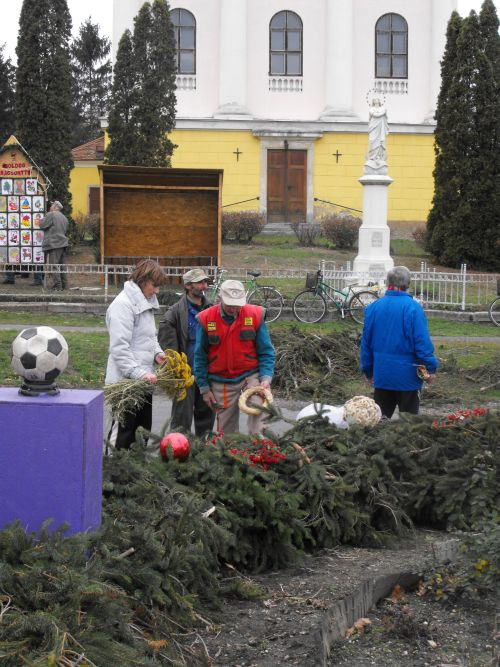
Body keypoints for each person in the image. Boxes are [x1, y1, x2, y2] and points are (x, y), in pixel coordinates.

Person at [194, 279, 275, 435]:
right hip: (221, 380)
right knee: (226, 430)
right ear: (220, 300)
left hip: (250, 376)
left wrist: (266, 377)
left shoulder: (255, 315)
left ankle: (260, 449)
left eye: (237, 305)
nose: (233, 309)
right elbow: (199, 356)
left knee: (260, 407)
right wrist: (204, 389)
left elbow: (266, 351)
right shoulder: (206, 319)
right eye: (229, 304)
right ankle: (231, 455)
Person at [360, 265, 438, 418]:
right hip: (408, 377)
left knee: (379, 422)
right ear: (407, 284)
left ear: (388, 281)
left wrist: (368, 371)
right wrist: (430, 369)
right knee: (408, 427)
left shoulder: (373, 308)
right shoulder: (413, 308)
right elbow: (422, 343)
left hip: (382, 375)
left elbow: (366, 344)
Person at [105, 259, 168, 449]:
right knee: (122, 434)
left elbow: (149, 336)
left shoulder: (145, 303)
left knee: (142, 432)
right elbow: (119, 348)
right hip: (125, 383)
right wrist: (139, 373)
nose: (157, 291)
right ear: (143, 280)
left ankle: (135, 474)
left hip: (143, 381)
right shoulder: (122, 305)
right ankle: (113, 474)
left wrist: (157, 353)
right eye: (154, 285)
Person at [157, 268, 215, 436]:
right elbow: (167, 345)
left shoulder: (211, 309)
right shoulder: (174, 313)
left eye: (205, 282)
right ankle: (178, 455)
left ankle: (203, 453)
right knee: (181, 420)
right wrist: (178, 371)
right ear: (188, 285)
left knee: (206, 418)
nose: (204, 286)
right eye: (200, 283)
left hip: (206, 373)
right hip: (185, 375)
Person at [39, 200, 69, 290]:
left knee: (54, 266)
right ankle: (65, 285)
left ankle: (57, 286)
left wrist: (41, 218)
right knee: (62, 266)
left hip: (54, 244)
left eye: (52, 205)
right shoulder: (64, 218)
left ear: (56, 207)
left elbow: (42, 225)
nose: (50, 206)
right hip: (63, 244)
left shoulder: (51, 214)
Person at [366, 97, 389, 166]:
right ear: (373, 101)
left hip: (380, 127)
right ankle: (372, 157)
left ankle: (379, 157)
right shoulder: (372, 109)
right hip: (373, 127)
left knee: (380, 141)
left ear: (379, 101)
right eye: (375, 99)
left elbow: (385, 116)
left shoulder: (382, 109)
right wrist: (383, 113)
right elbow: (374, 115)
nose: (376, 100)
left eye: (377, 99)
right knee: (372, 140)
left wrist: (383, 113)